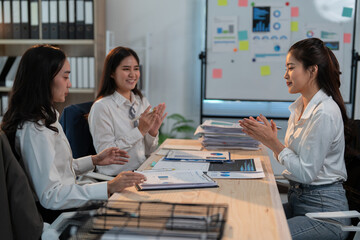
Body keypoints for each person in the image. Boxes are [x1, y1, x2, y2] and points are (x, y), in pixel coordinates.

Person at [1, 45, 146, 223]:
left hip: (70, 199)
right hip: (59, 214)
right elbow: (50, 195)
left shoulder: (48, 116)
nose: (69, 83)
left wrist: (94, 160)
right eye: (65, 77)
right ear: (44, 78)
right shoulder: (35, 129)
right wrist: (108, 187)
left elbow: (59, 168)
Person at [239, 38, 350, 240]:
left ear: (312, 70)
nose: (285, 75)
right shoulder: (299, 107)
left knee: (261, 235)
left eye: (291, 68)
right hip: (299, 202)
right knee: (246, 220)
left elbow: (306, 173)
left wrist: (273, 142)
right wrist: (272, 140)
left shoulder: (324, 112)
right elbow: (296, 160)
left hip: (325, 214)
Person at [88, 46, 167, 176]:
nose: (133, 74)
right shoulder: (101, 107)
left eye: (136, 69)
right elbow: (105, 154)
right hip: (117, 178)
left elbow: (147, 151)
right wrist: (140, 131)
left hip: (142, 171)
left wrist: (152, 132)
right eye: (126, 69)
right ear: (112, 73)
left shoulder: (141, 101)